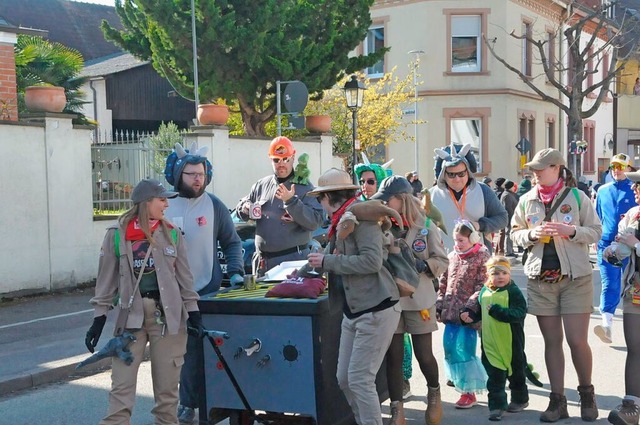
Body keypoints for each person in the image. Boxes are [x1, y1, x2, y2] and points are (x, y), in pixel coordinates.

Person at [85, 179, 202, 425]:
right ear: (146, 202)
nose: (166, 205)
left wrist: (194, 314)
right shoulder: (117, 235)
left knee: (167, 397)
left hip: (168, 320)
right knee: (121, 391)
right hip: (131, 320)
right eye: (162, 200)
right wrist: (98, 319)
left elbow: (185, 280)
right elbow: (105, 282)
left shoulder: (171, 234)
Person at [301, 168, 401, 425]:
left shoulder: (361, 217)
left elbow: (371, 261)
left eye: (320, 199)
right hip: (354, 310)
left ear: (329, 197)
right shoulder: (342, 218)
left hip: (376, 308)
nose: (319, 204)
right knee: (345, 379)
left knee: (359, 380)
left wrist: (328, 261)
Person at [511, 148, 602, 422]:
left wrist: (572, 231)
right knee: (552, 342)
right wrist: (531, 234)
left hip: (575, 279)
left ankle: (587, 394)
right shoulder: (527, 200)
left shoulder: (577, 197)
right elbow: (514, 234)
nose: (536, 174)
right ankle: (557, 401)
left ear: (557, 168)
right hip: (541, 280)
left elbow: (596, 231)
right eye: (534, 170)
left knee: (576, 341)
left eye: (541, 169)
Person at [162, 143, 245, 424]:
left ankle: (194, 402)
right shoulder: (162, 204)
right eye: (190, 174)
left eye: (201, 174)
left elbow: (232, 242)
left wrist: (234, 271)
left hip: (204, 291)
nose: (197, 179)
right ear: (176, 174)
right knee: (175, 352)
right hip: (167, 293)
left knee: (198, 350)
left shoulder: (214, 205)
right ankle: (181, 401)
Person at [371, 176, 449, 425]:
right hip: (391, 299)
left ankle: (434, 394)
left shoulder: (426, 225)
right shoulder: (381, 226)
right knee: (393, 356)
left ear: (402, 199)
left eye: (387, 199)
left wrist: (424, 264)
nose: (384, 203)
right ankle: (397, 410)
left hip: (419, 300)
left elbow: (442, 260)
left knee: (424, 354)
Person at [236, 136, 323, 276]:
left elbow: (315, 222)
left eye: (286, 159)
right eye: (276, 160)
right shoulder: (261, 185)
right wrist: (245, 208)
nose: (281, 163)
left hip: (292, 262)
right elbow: (241, 207)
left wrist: (291, 202)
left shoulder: (305, 187)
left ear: (293, 158)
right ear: (271, 160)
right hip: (262, 264)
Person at [461, 256, 529, 422]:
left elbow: (520, 312)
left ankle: (520, 399)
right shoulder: (484, 291)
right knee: (495, 376)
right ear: (488, 275)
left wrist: (499, 312)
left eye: (504, 273)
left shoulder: (513, 291)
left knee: (516, 373)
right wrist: (470, 316)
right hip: (490, 342)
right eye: (495, 273)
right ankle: (497, 406)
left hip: (512, 342)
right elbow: (481, 311)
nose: (500, 277)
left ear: (509, 273)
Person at [436, 220, 490, 409]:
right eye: (455, 240)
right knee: (449, 348)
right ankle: (460, 382)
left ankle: (469, 392)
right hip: (450, 314)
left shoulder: (482, 257)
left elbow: (482, 285)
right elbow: (443, 283)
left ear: (473, 238)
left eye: (461, 240)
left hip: (467, 316)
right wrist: (439, 304)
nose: (457, 244)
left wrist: (471, 308)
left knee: (465, 351)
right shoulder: (452, 256)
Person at [603, 171, 640, 425]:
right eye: (636, 184)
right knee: (635, 349)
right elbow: (620, 251)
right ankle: (631, 407)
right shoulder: (634, 213)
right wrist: (613, 252)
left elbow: (634, 243)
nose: (635, 188)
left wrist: (636, 243)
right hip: (636, 289)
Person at [429, 143, 508, 252]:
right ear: (443, 174)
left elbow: (502, 219)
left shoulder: (483, 190)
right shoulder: (431, 195)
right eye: (451, 174)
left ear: (468, 172)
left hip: (478, 259)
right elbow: (422, 226)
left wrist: (479, 225)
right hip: (443, 260)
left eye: (461, 174)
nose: (457, 179)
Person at [594, 153, 635, 344]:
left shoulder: (635, 189)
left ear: (628, 168)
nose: (616, 170)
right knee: (609, 283)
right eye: (613, 167)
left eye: (620, 166)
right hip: (606, 245)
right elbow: (599, 217)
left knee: (631, 286)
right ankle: (606, 325)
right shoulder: (603, 190)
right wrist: (597, 237)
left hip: (629, 245)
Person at [497, 180, 518, 257]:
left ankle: (510, 250)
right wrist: (512, 218)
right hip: (509, 218)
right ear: (510, 187)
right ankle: (508, 252)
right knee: (508, 234)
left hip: (511, 217)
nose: (514, 188)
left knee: (509, 234)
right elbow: (508, 208)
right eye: (513, 186)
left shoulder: (509, 194)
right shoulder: (507, 195)